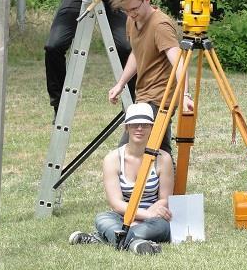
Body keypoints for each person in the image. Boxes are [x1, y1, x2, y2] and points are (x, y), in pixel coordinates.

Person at [69, 103, 173, 254]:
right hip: (123, 216)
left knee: (164, 226)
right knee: (102, 218)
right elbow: (116, 203)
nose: (139, 128)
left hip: (153, 218)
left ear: (152, 128)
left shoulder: (163, 158)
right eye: (134, 124)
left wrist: (144, 218)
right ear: (127, 128)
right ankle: (134, 243)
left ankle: (104, 239)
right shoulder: (112, 159)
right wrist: (140, 217)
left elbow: (165, 199)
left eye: (145, 125)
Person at [107, 0, 194, 156]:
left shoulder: (160, 25)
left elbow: (178, 61)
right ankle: (169, 184)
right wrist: (120, 84)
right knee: (159, 150)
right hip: (143, 95)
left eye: (134, 9)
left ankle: (163, 183)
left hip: (160, 97)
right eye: (126, 10)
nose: (131, 14)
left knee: (130, 150)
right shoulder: (132, 19)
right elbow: (137, 54)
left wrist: (185, 94)